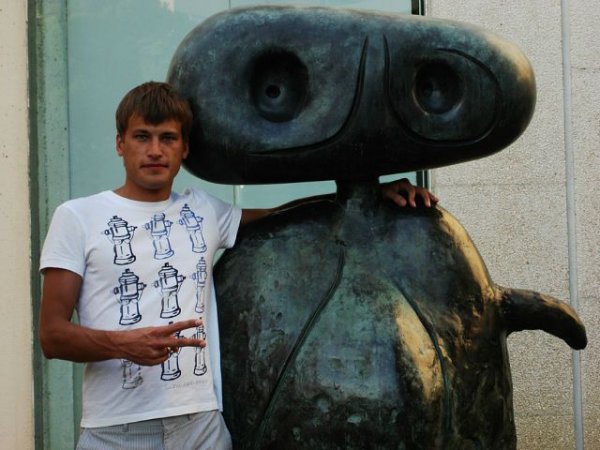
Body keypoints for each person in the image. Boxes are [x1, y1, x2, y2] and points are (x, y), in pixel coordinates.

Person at [39, 81, 439, 450]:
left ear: (185, 149)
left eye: (168, 138)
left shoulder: (201, 210)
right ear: (120, 143)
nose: (155, 150)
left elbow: (285, 215)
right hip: (117, 431)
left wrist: (371, 194)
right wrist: (124, 344)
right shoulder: (78, 217)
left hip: (201, 427)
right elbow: (52, 336)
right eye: (142, 137)